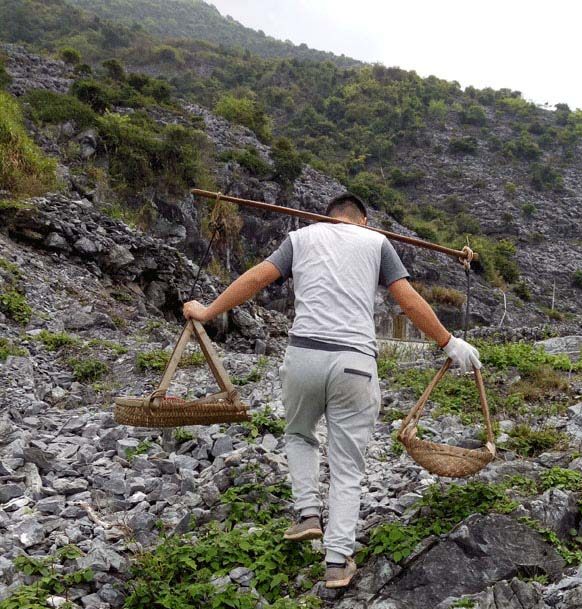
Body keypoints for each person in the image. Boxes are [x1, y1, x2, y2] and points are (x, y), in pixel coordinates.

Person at [183, 192, 481, 589]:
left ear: (328, 218)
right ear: (363, 219)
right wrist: (449, 342)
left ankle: (307, 513)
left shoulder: (302, 238)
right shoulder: (376, 242)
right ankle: (338, 562)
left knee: (298, 434)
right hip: (355, 363)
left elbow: (256, 277)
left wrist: (206, 311)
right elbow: (407, 300)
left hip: (303, 357)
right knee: (347, 465)